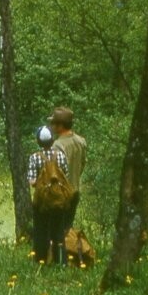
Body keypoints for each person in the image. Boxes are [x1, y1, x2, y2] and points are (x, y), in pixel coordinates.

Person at [28, 125, 70, 264]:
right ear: (52, 140)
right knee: (59, 231)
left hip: (42, 201)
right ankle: (61, 261)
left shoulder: (34, 157)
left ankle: (41, 259)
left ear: (38, 141)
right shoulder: (61, 156)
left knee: (40, 231)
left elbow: (32, 181)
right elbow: (66, 177)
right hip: (58, 199)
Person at [48, 107, 87, 232]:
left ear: (60, 125)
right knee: (68, 229)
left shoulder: (57, 146)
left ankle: (59, 252)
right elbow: (82, 164)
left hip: (61, 195)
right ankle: (69, 251)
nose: (51, 126)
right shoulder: (81, 141)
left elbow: (55, 173)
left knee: (56, 231)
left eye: (53, 123)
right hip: (75, 191)